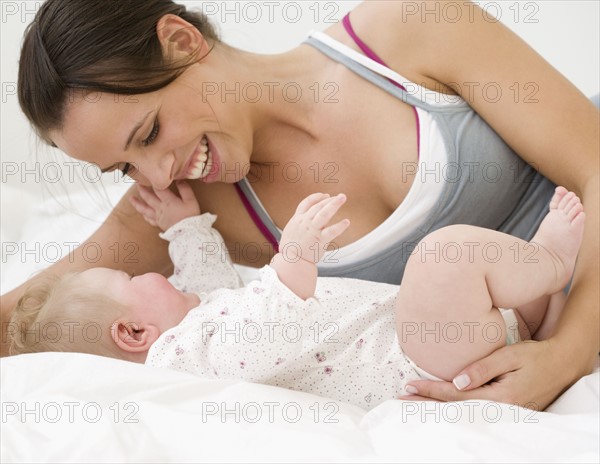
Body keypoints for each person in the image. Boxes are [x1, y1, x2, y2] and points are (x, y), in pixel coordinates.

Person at [2, 0, 598, 410]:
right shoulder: (184, 209)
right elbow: (25, 319)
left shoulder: (406, 27)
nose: (154, 174)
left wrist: (565, 356)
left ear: (181, 41)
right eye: (125, 167)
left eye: (150, 132)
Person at [7, 184, 586, 410]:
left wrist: (185, 230)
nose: (149, 277)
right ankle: (552, 262)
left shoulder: (201, 320)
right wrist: (292, 260)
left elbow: (211, 282)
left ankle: (545, 303)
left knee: (482, 286)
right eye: (133, 282)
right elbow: (258, 336)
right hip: (415, 361)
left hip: (449, 343)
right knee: (443, 257)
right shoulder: (183, 360)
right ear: (134, 334)